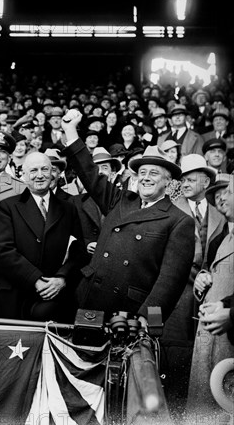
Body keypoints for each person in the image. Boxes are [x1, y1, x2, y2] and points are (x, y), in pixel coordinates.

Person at [61, 109, 195, 325]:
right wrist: (70, 131)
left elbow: (169, 282)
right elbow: (89, 172)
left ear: (168, 183)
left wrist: (150, 321)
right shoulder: (119, 199)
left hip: (130, 314)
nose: (146, 178)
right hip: (88, 299)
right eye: (142, 173)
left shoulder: (179, 221)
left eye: (154, 173)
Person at [161, 154, 222, 420]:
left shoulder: (222, 212)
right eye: (182, 179)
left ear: (206, 180)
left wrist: (208, 275)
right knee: (175, 356)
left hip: (211, 298)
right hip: (177, 297)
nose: (184, 183)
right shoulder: (169, 208)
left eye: (191, 178)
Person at [0, 151, 86, 322]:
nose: (40, 175)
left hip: (55, 297)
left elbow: (78, 252)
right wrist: (35, 279)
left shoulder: (68, 208)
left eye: (45, 169)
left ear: (52, 174)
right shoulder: (8, 207)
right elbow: (2, 252)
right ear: (23, 175)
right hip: (16, 296)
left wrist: (61, 278)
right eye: (34, 171)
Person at [185, 174, 234, 425]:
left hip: (228, 341)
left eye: (227, 192)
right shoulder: (220, 238)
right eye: (217, 194)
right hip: (210, 338)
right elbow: (210, 273)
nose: (221, 198)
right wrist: (202, 280)